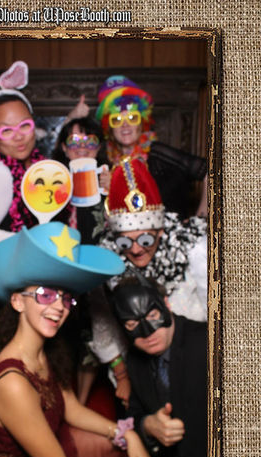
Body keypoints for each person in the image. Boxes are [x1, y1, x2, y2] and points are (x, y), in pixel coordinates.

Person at [0, 222, 155, 457]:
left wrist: (125, 433)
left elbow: (69, 407)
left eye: (65, 297)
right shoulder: (13, 383)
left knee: (108, 448)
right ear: (17, 301)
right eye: (45, 295)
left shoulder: (41, 352)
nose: (59, 307)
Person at [89, 156, 207, 406]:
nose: (135, 249)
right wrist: (122, 376)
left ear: (161, 231)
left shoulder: (193, 249)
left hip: (195, 360)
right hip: (140, 368)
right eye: (125, 241)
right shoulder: (105, 263)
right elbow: (103, 327)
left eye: (145, 240)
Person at [0, 62, 85, 249]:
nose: (18, 136)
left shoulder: (36, 164)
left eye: (25, 126)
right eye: (6, 130)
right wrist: (34, 242)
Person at [110, 277, 207, 457]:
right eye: (132, 324)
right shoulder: (135, 360)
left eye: (152, 316)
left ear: (166, 305)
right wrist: (148, 425)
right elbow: (134, 412)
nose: (148, 333)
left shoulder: (209, 344)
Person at [96, 75, 208, 218]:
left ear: (142, 122)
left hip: (169, 230)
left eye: (132, 118)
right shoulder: (108, 162)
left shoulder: (158, 153)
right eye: (116, 119)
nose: (125, 125)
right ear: (110, 128)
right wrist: (113, 189)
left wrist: (199, 222)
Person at [52, 116, 110, 244]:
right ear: (64, 148)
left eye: (90, 141)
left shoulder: (109, 178)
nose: (82, 146)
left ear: (99, 147)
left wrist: (115, 192)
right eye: (74, 141)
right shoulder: (52, 180)